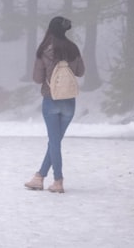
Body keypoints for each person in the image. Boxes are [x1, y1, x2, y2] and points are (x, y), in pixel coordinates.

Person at [24, 15, 85, 193]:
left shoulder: (45, 49)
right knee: (55, 142)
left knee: (54, 142)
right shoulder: (73, 48)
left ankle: (58, 181)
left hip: (51, 99)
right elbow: (80, 72)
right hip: (69, 102)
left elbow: (37, 79)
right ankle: (39, 177)